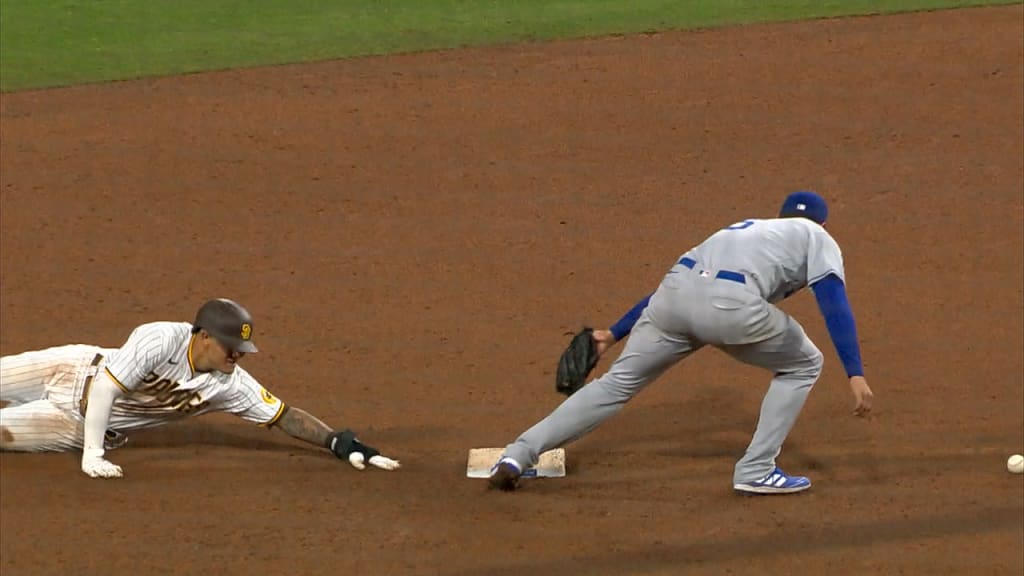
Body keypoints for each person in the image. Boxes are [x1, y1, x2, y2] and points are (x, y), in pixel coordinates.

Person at [488, 191, 873, 494]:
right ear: (820, 222)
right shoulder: (816, 235)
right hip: (728, 306)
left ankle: (518, 455)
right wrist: (854, 373)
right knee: (803, 363)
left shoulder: (744, 230)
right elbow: (833, 302)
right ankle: (756, 469)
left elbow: (680, 285)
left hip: (672, 298)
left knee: (615, 386)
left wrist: (613, 333)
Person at [0, 298, 400, 479]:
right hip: (66, 370)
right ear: (204, 336)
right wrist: (93, 456)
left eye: (243, 349)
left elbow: (283, 415)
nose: (238, 356)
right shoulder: (159, 339)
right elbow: (106, 388)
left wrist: (336, 440)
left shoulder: (230, 385)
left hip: (76, 423)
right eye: (232, 347)